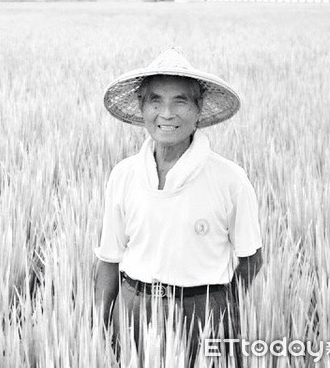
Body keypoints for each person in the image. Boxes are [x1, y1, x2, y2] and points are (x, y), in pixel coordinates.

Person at [94, 47, 263, 366]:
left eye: (180, 101)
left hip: (203, 308)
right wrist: (100, 324)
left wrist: (222, 307)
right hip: (134, 305)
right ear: (142, 108)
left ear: (199, 110)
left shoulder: (229, 179)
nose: (166, 113)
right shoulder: (124, 175)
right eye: (155, 101)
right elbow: (109, 258)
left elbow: (252, 258)